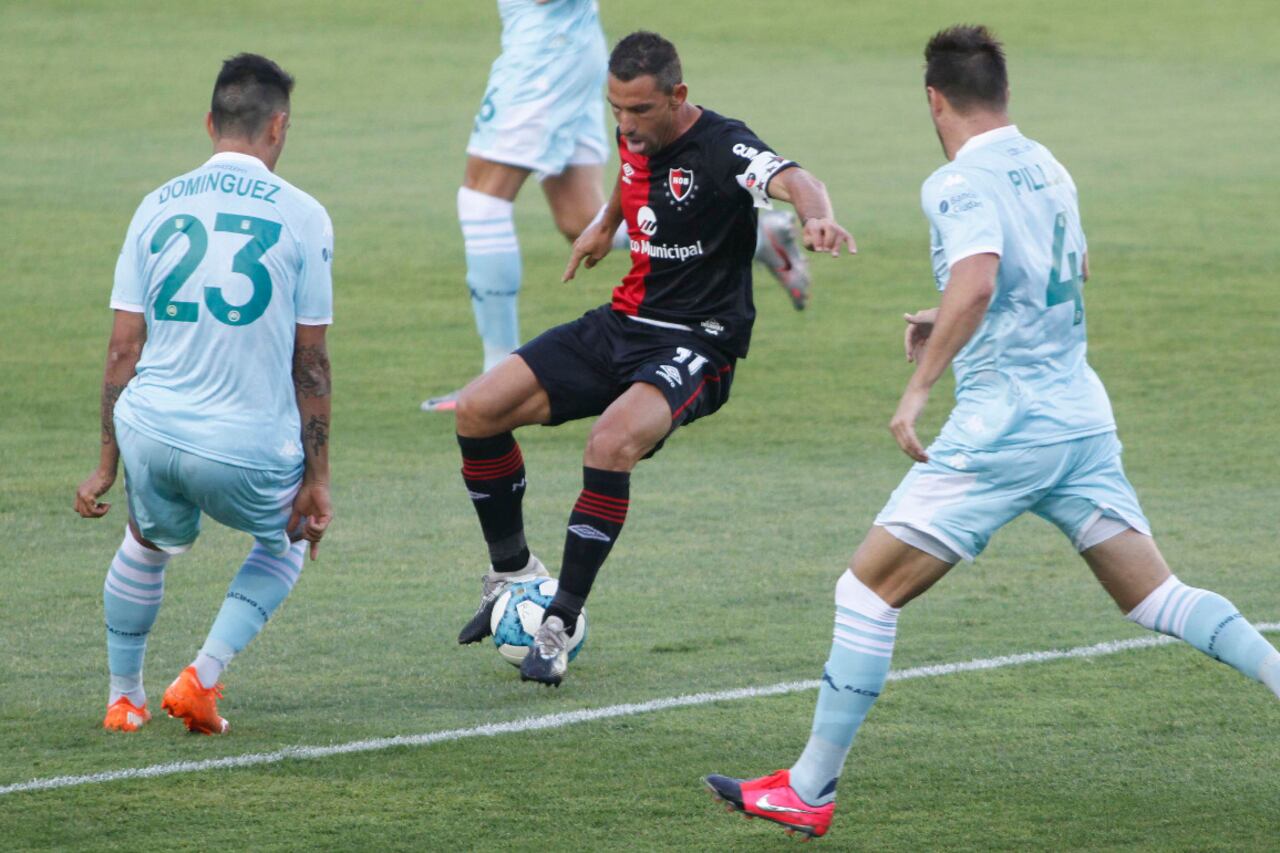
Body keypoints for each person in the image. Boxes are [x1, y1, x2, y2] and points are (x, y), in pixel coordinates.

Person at [704, 25, 1280, 839]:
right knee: (1156, 596)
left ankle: (808, 788)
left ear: (934, 99)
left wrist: (917, 388)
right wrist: (945, 317)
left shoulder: (953, 181)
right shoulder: (1047, 163)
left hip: (1004, 428)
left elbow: (978, 279)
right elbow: (1058, 275)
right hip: (1078, 416)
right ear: (1001, 95)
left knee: (866, 590)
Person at [451, 31, 855, 685]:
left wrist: (818, 217)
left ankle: (558, 622)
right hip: (622, 322)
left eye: (640, 111)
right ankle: (511, 571)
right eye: (616, 110)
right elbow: (632, 172)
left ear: (678, 96)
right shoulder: (633, 133)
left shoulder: (724, 145)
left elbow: (797, 177)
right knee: (477, 409)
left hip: (699, 340)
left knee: (610, 444)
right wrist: (603, 224)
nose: (626, 125)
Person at [75, 53, 335, 735]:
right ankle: (201, 679)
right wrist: (318, 480)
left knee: (144, 539)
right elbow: (311, 362)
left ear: (209, 123)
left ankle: (122, 698)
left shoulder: (154, 205)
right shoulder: (305, 216)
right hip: (245, 448)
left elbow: (122, 348)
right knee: (288, 539)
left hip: (151, 431)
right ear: (277, 126)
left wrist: (107, 463)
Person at [420, 1, 812, 413]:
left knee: (482, 201)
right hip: (564, 45)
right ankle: (754, 239)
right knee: (580, 220)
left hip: (545, 50)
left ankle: (494, 371)